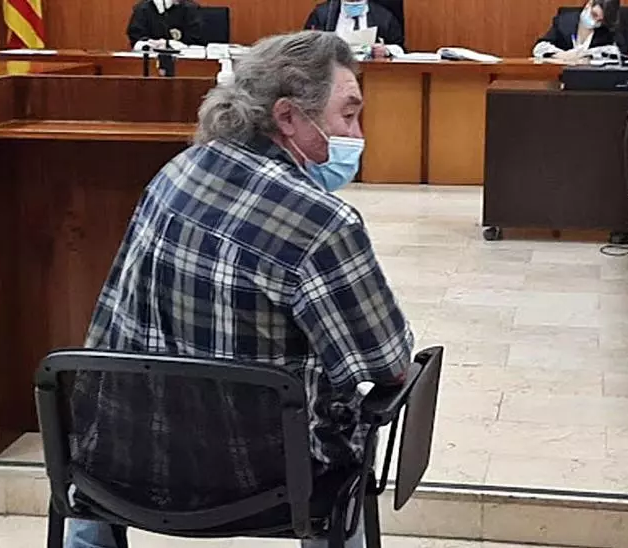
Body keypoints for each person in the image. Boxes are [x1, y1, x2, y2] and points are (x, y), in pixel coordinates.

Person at [63, 30, 414, 548]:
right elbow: (387, 365)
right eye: (348, 115)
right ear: (287, 116)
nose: (357, 134)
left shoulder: (175, 172)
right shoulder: (323, 223)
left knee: (107, 410)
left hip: (122, 463)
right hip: (267, 485)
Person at [304, 0, 404, 58]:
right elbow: (307, 46)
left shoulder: (384, 16)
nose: (354, 2)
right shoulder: (322, 14)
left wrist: (386, 50)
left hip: (372, 71)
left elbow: (400, 47)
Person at [532, 0, 621, 62]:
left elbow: (620, 53)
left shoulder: (606, 30)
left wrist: (590, 56)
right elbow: (539, 48)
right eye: (594, 15)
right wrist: (561, 55)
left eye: (600, 21)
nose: (595, 22)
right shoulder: (564, 22)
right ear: (589, 4)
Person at [126, 0, 205, 50]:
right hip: (151, 57)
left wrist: (168, 43)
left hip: (184, 61)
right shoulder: (143, 9)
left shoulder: (190, 9)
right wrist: (150, 43)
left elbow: (196, 39)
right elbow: (135, 37)